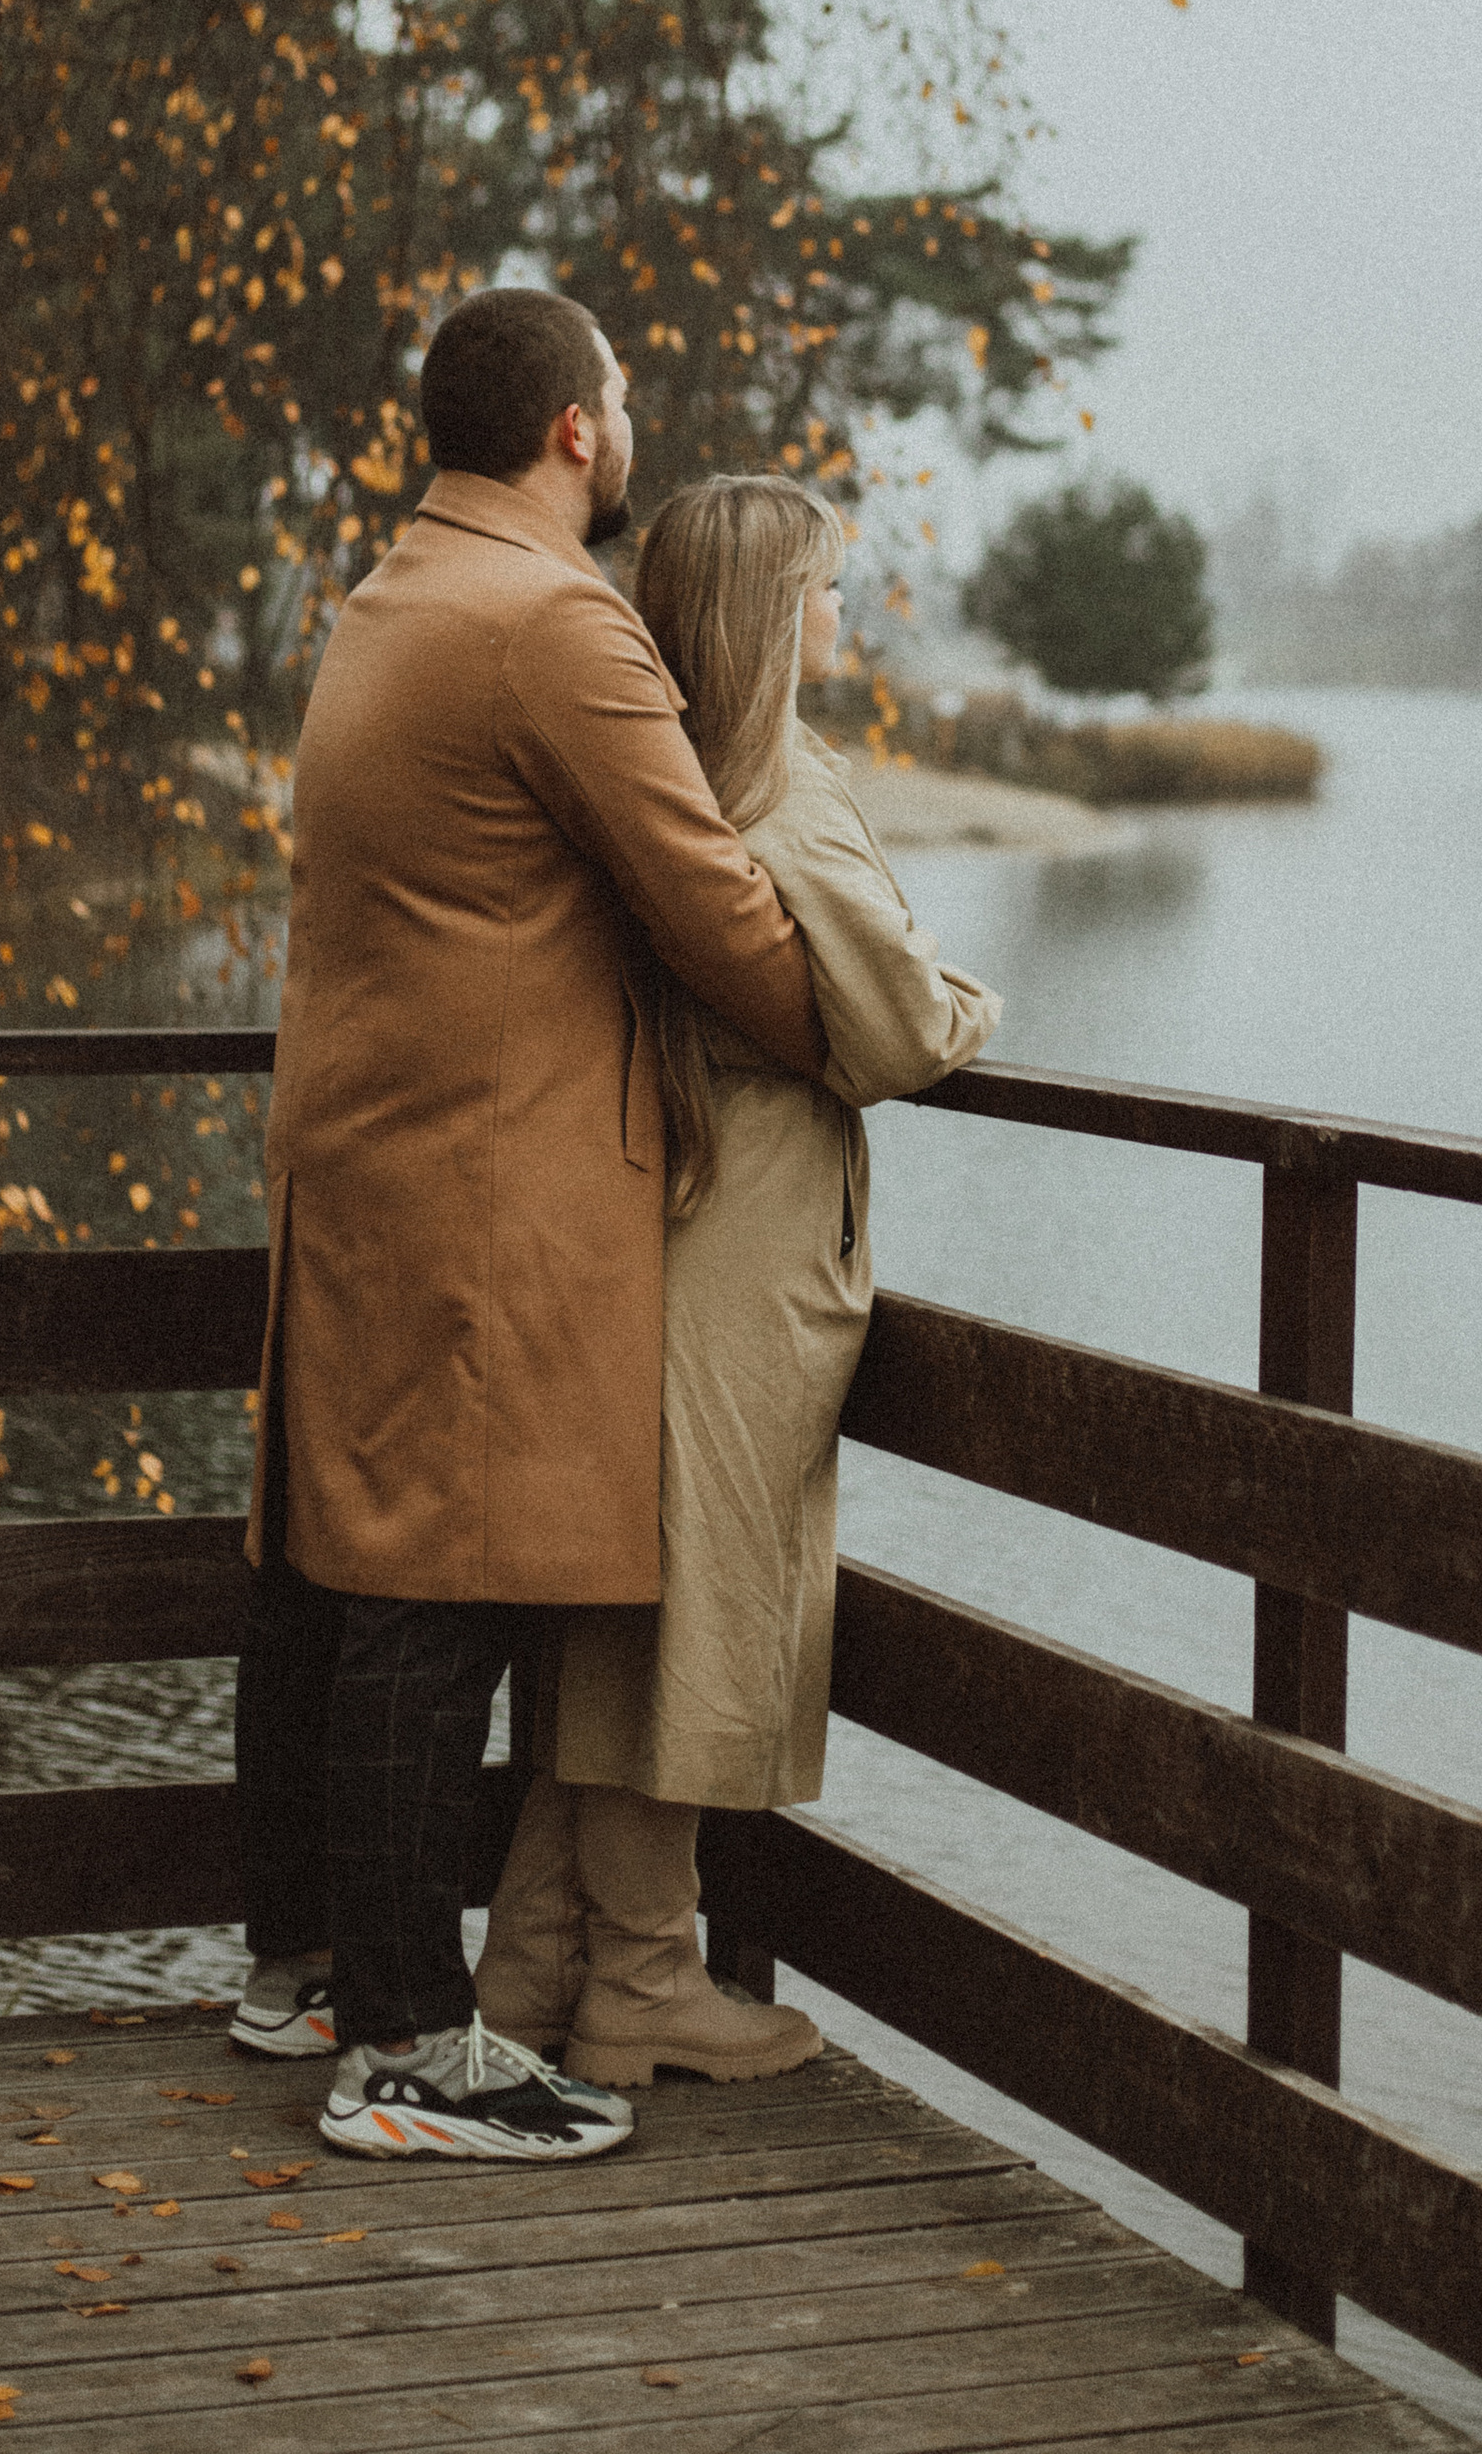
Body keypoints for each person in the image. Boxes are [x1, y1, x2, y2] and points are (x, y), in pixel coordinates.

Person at [231, 290, 832, 2165]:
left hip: (372, 1168)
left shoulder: (394, 595)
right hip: (477, 1198)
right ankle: (406, 2055)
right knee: (437, 1607)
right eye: (623, 395)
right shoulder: (550, 621)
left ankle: (313, 1981)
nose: (633, 421)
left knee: (356, 1583)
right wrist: (867, 1035)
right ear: (577, 428)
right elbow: (712, 900)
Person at [474, 473, 1000, 2086]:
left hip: (650, 1236)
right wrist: (972, 1001)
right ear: (772, 616)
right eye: (827, 588)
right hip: (745, 1265)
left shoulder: (664, 788)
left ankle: (527, 1980)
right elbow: (907, 1029)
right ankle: (642, 1982)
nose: (845, 611)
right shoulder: (784, 799)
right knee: (693, 1620)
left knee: (622, 1621)